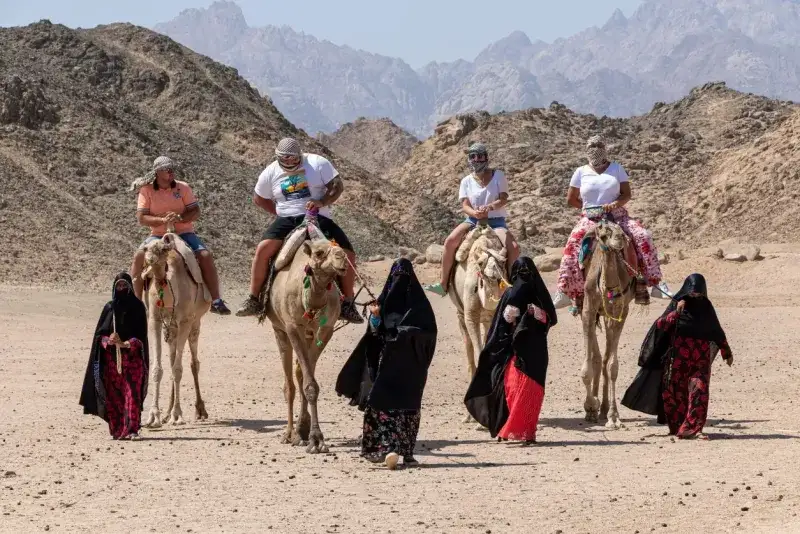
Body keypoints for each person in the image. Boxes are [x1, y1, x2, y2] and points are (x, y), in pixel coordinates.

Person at [235, 138, 363, 323]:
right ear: (277, 156)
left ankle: (348, 303)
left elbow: (337, 186)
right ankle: (253, 299)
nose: (289, 162)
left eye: (293, 158)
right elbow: (259, 198)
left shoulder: (317, 163)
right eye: (284, 158)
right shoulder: (270, 172)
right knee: (263, 250)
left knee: (347, 253)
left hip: (319, 217)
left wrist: (321, 202)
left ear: (300, 154)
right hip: (287, 219)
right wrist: (279, 212)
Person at [335, 258, 437, 467]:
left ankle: (406, 451)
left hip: (411, 369)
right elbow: (375, 335)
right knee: (381, 403)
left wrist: (399, 333)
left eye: (403, 278)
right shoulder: (383, 303)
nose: (399, 282)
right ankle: (388, 448)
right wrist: (375, 319)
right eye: (396, 278)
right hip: (387, 366)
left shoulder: (421, 308)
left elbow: (428, 335)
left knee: (407, 408)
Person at [552, 135, 670, 314]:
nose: (595, 150)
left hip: (617, 216)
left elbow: (626, 194)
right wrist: (588, 208)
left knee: (643, 236)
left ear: (605, 149)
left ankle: (655, 283)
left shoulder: (617, 168)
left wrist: (615, 204)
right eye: (592, 146)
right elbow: (571, 199)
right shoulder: (580, 171)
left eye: (599, 146)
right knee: (572, 244)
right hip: (591, 218)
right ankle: (565, 290)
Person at [621, 274, 733, 440]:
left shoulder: (706, 307)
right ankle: (679, 427)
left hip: (700, 362)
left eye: (698, 293)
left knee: (699, 392)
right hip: (677, 362)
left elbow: (716, 330)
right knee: (675, 395)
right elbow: (660, 325)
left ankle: (693, 429)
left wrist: (726, 351)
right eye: (692, 293)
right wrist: (676, 312)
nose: (695, 296)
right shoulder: (678, 303)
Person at [464, 257, 557, 444]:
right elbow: (499, 325)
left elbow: (551, 318)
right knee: (513, 389)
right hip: (514, 352)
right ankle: (507, 427)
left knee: (532, 392)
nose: (524, 277)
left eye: (527, 272)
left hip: (535, 351)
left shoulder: (539, 295)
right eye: (520, 272)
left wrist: (537, 314)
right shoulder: (509, 294)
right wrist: (508, 319)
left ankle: (528, 432)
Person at [129, 156, 230, 315]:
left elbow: (195, 211)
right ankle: (136, 303)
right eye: (167, 170)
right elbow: (142, 218)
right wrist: (162, 220)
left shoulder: (182, 188)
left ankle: (216, 300)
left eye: (172, 169)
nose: (171, 172)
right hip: (158, 235)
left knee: (205, 255)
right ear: (157, 172)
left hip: (184, 233)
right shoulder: (146, 190)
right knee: (138, 257)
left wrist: (180, 218)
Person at [424, 142, 520, 296]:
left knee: (513, 248)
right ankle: (443, 283)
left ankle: (513, 285)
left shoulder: (498, 175)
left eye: (480, 156)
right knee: (450, 241)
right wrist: (475, 213)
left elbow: (503, 199)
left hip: (495, 221)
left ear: (486, 157)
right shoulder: (466, 181)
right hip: (473, 220)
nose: (476, 160)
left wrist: (489, 208)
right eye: (473, 156)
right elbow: (465, 205)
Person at [79, 273, 150, 440]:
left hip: (133, 361)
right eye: (118, 286)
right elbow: (99, 336)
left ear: (130, 287)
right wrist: (109, 340)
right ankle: (118, 430)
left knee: (132, 395)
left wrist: (125, 344)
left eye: (124, 285)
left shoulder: (138, 307)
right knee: (115, 397)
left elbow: (142, 337)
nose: (121, 288)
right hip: (112, 363)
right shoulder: (110, 308)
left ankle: (132, 430)